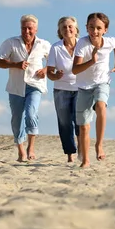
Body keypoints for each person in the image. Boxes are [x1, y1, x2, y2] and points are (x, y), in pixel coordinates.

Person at [0, 14, 51, 162]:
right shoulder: (11, 43)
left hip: (35, 85)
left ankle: (31, 147)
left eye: (30, 28)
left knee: (31, 112)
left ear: (36, 29)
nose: (26, 31)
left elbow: (55, 60)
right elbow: (0, 62)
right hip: (16, 86)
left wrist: (46, 70)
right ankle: (21, 150)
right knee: (17, 118)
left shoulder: (43, 44)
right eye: (24, 28)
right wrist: (15, 64)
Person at [72, 12, 115, 168]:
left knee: (101, 105)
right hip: (84, 87)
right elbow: (75, 69)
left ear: (105, 30)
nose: (95, 31)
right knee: (84, 126)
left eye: (99, 28)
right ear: (86, 28)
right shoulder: (82, 44)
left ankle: (99, 145)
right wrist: (91, 61)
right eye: (91, 27)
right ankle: (86, 160)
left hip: (102, 82)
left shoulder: (108, 41)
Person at [46, 16, 80, 163]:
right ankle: (70, 154)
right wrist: (56, 75)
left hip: (81, 88)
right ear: (59, 31)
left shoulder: (83, 44)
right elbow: (49, 73)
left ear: (76, 29)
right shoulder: (56, 48)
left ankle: (82, 151)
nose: (67, 29)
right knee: (65, 122)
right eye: (64, 27)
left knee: (80, 120)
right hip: (61, 89)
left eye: (70, 26)